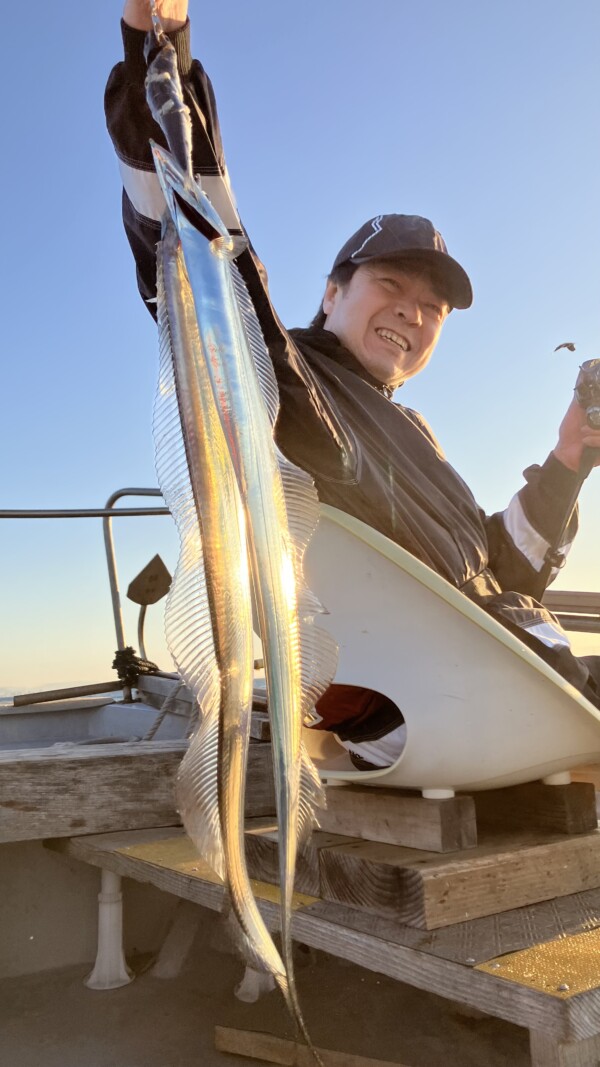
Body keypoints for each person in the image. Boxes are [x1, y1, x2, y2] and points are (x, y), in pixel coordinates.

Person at [106, 1, 600, 768]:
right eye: (391, 283)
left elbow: (505, 569)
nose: (414, 310)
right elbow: (189, 245)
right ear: (332, 292)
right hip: (438, 712)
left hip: (506, 690)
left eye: (433, 307)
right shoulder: (281, 381)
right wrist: (158, 47)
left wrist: (570, 456)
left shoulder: (412, 435)